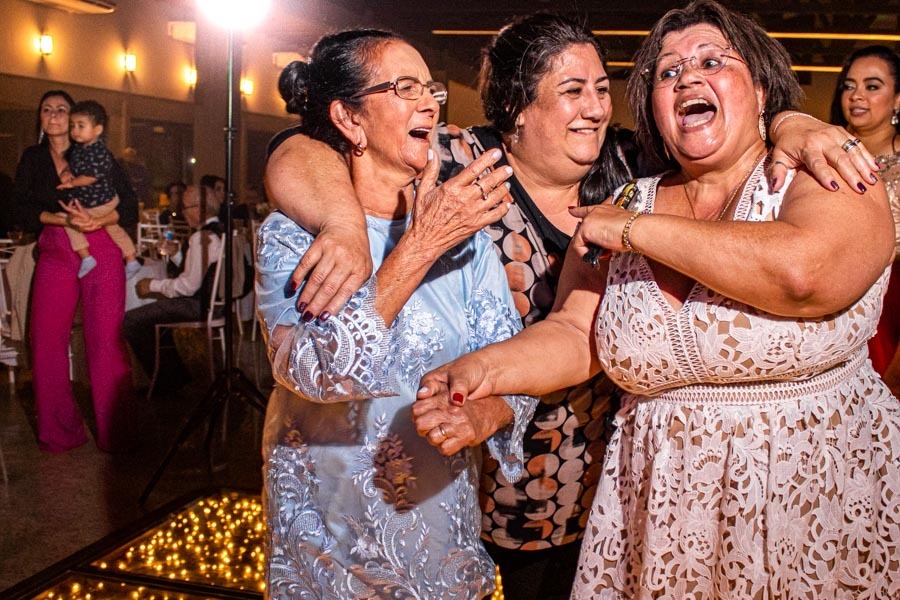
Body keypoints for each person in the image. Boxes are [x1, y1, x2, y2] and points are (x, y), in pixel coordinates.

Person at [260, 14, 885, 600]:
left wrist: (792, 125)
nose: (687, 78)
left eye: (713, 62)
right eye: (667, 72)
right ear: (516, 110)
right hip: (595, 498)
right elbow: (303, 145)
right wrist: (479, 369)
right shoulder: (461, 169)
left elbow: (804, 270)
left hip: (805, 492)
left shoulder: (631, 179)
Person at [256, 29, 537, 599]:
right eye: (403, 88)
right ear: (349, 120)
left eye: (429, 88)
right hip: (330, 552)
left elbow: (510, 362)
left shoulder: (465, 237)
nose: (430, 102)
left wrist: (488, 416)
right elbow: (313, 371)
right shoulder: (291, 236)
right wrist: (418, 245)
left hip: (440, 537)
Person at [11, 90, 138, 453]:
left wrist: (98, 219)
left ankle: (117, 433)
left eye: (61, 109)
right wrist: (63, 218)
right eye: (46, 108)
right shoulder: (33, 159)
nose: (53, 115)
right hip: (56, 246)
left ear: (75, 117)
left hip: (101, 243)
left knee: (105, 340)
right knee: (46, 339)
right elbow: (19, 208)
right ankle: (59, 431)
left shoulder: (96, 154)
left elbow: (129, 205)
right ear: (40, 117)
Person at [830, 45, 900, 377]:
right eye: (849, 85)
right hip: (826, 290)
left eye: (872, 87)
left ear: (898, 99)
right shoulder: (823, 150)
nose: (857, 96)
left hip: (889, 305)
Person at [124, 184, 221, 393]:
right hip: (217, 303)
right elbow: (199, 273)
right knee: (153, 316)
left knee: (131, 320)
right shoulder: (220, 232)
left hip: (198, 305)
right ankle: (173, 377)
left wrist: (151, 285)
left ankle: (166, 383)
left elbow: (186, 287)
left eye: (185, 207)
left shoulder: (202, 238)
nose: (182, 213)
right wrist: (177, 255)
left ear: (199, 208)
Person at [55, 100, 140, 279]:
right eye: (73, 126)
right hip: (93, 201)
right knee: (113, 228)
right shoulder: (79, 149)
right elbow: (73, 166)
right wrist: (66, 172)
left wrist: (73, 183)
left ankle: (86, 257)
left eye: (81, 126)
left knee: (70, 220)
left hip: (102, 200)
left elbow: (92, 176)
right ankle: (131, 259)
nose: (75, 131)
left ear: (98, 130)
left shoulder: (99, 152)